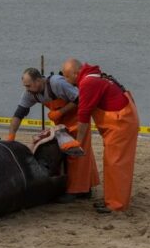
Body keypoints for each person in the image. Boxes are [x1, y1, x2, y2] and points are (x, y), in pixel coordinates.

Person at [7, 68, 100, 202]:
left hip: (79, 120)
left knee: (75, 153)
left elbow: (81, 99)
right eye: (25, 86)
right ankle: (85, 188)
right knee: (64, 154)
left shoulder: (57, 83)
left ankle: (75, 191)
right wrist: (11, 136)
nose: (26, 89)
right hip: (62, 123)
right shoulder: (30, 93)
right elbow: (19, 114)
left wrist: (60, 112)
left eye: (28, 85)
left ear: (38, 80)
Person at [61, 59, 140, 213]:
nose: (65, 80)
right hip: (121, 120)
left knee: (116, 163)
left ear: (76, 74)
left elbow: (83, 117)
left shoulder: (87, 83)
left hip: (121, 123)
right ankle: (111, 200)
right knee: (111, 162)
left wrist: (77, 143)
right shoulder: (94, 76)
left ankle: (116, 205)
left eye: (66, 77)